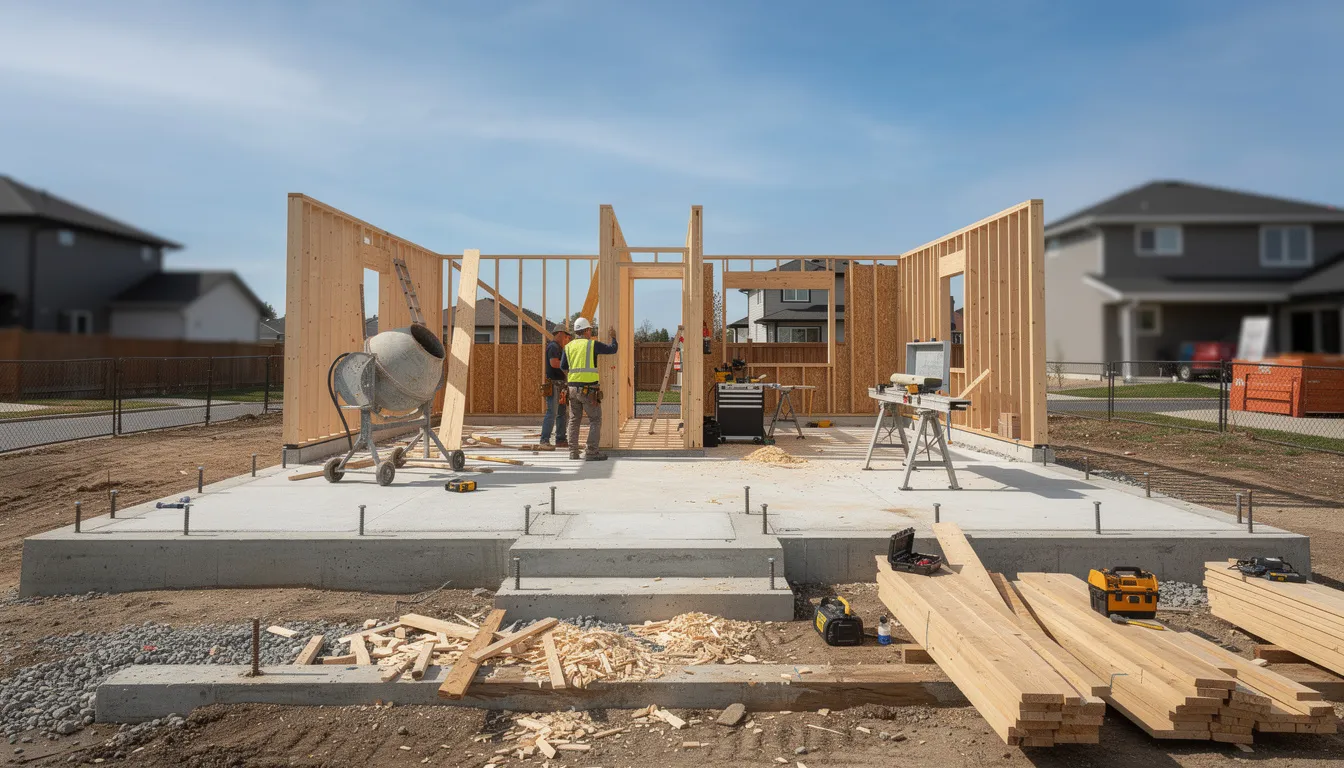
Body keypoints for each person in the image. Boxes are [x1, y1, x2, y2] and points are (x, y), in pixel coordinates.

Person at [562, 316, 618, 461]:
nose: (591, 333)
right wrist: (614, 338)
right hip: (588, 390)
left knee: (574, 420)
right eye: (590, 330)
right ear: (586, 330)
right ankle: (592, 452)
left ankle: (573, 452)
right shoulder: (592, 345)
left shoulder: (568, 347)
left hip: (572, 389)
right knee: (595, 419)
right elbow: (612, 350)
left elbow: (563, 367)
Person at [540, 324, 571, 448]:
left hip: (560, 385)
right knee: (552, 413)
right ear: (559, 333)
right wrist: (570, 365)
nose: (566, 338)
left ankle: (560, 439)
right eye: (565, 335)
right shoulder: (553, 346)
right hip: (554, 385)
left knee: (562, 413)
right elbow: (554, 363)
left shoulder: (559, 347)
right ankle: (544, 440)